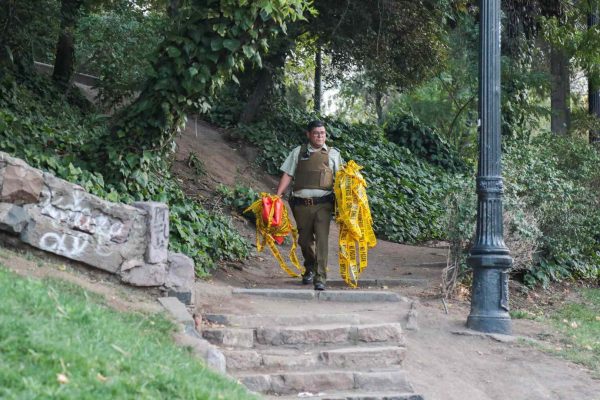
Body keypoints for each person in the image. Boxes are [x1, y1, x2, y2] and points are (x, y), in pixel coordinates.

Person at [275, 120, 344, 291]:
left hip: (324, 205)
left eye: (323, 133)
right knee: (304, 241)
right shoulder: (298, 152)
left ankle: (320, 278)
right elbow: (288, 174)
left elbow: (342, 181)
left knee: (322, 240)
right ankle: (310, 266)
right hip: (301, 206)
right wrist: (277, 195)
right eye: (316, 133)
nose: (320, 136)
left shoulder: (333, 154)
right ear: (308, 134)